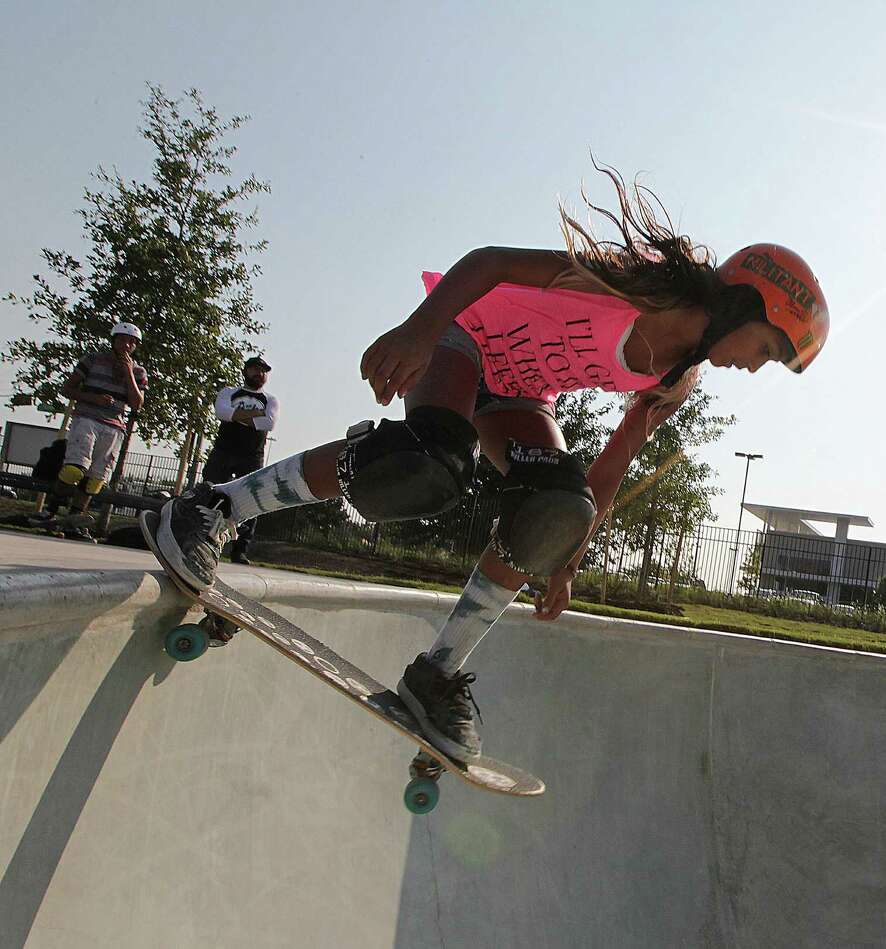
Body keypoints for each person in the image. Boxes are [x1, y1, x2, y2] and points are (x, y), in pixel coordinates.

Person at [153, 168, 829, 763]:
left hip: (520, 393)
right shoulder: (643, 284)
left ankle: (438, 671)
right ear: (746, 304)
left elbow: (607, 473)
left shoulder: (676, 380)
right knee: (428, 462)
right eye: (766, 347)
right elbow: (491, 263)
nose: (754, 364)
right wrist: (419, 330)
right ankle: (215, 507)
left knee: (557, 509)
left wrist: (565, 555)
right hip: (463, 333)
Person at [30, 322, 147, 540]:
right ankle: (50, 510)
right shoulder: (92, 360)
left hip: (114, 425)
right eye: (122, 339)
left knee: (96, 478)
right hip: (87, 417)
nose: (126, 345)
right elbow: (67, 388)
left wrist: (129, 372)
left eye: (131, 342)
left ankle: (74, 519)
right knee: (74, 469)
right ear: (113, 340)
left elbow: (137, 403)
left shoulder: (138, 371)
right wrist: (92, 398)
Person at [203, 356, 278, 564]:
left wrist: (236, 415)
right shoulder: (229, 392)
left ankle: (240, 548)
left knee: (252, 499)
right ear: (245, 371)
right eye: (255, 369)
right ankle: (202, 537)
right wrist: (253, 417)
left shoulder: (270, 400)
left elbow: (268, 423)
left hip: (252, 454)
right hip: (224, 450)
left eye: (263, 371)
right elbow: (221, 412)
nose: (259, 373)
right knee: (210, 491)